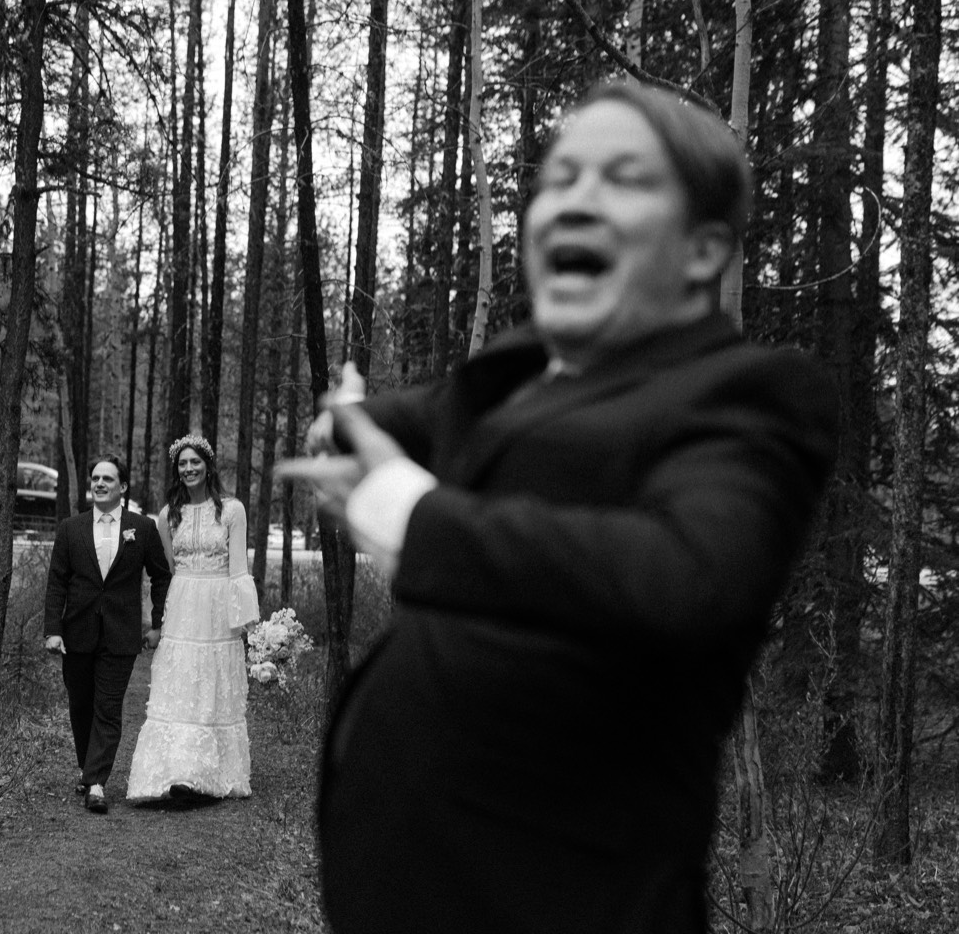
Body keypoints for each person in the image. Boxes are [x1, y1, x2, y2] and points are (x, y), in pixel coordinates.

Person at [277, 79, 838, 932]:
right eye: (562, 177)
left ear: (701, 248)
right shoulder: (521, 374)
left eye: (624, 178)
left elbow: (689, 577)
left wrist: (409, 515)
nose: (577, 198)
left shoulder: (750, 398)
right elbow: (409, 419)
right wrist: (345, 422)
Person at [126, 434, 260, 801]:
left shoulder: (232, 510)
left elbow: (238, 570)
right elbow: (169, 568)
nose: (188, 469)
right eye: (182, 464)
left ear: (208, 465)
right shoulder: (168, 515)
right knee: (181, 683)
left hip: (218, 606)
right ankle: (178, 771)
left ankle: (210, 773)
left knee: (212, 682)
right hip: (184, 603)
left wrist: (248, 623)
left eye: (194, 462)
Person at [44, 454, 172, 814]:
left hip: (121, 634)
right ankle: (88, 768)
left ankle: (98, 782)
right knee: (80, 705)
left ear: (123, 487)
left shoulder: (141, 528)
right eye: (96, 478)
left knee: (108, 707)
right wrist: (53, 630)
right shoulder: (71, 528)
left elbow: (161, 576)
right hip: (77, 632)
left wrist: (157, 623)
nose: (100, 484)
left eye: (108, 479)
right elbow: (57, 582)